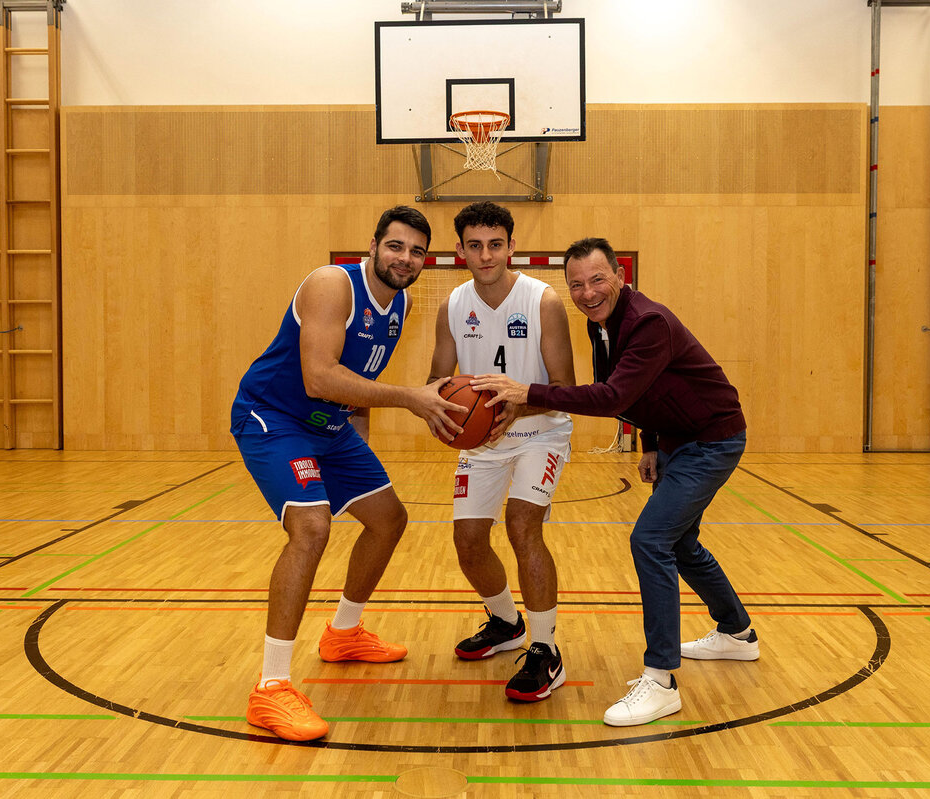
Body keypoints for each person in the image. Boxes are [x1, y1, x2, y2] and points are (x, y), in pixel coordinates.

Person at [472, 237, 757, 727]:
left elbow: (611, 396)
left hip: (712, 438)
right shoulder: (601, 324)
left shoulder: (647, 323)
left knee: (650, 539)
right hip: (675, 438)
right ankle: (736, 632)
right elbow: (643, 391)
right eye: (577, 284)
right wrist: (649, 443)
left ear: (620, 275)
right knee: (680, 543)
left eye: (597, 279)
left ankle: (662, 680)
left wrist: (528, 391)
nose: (587, 292)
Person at [231, 206, 465, 741]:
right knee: (312, 528)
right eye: (396, 246)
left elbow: (354, 383)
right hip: (275, 418)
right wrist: (411, 399)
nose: (406, 259)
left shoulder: (399, 302)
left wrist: (353, 460)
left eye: (417, 252)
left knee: (388, 519)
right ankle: (271, 688)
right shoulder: (332, 284)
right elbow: (318, 376)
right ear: (374, 246)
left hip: (329, 425)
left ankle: (343, 633)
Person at [428, 201, 576, 702]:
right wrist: (442, 411)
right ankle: (506, 622)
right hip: (484, 440)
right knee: (468, 542)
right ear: (460, 251)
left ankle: (544, 649)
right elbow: (437, 379)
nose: (486, 255)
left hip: (541, 431)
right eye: (475, 245)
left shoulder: (543, 301)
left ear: (512, 247)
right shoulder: (452, 305)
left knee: (520, 525)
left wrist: (519, 404)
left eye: (495, 245)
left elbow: (564, 386)